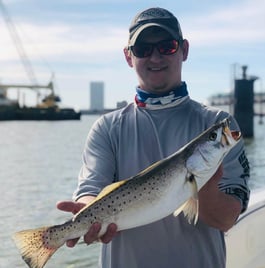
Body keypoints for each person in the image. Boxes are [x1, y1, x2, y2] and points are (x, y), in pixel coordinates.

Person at [57, 7, 250, 268]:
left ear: (184, 49)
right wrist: (86, 214)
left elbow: (226, 219)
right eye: (143, 49)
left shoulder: (218, 126)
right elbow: (90, 191)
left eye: (167, 46)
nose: (155, 56)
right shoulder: (107, 127)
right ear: (128, 56)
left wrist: (204, 185)